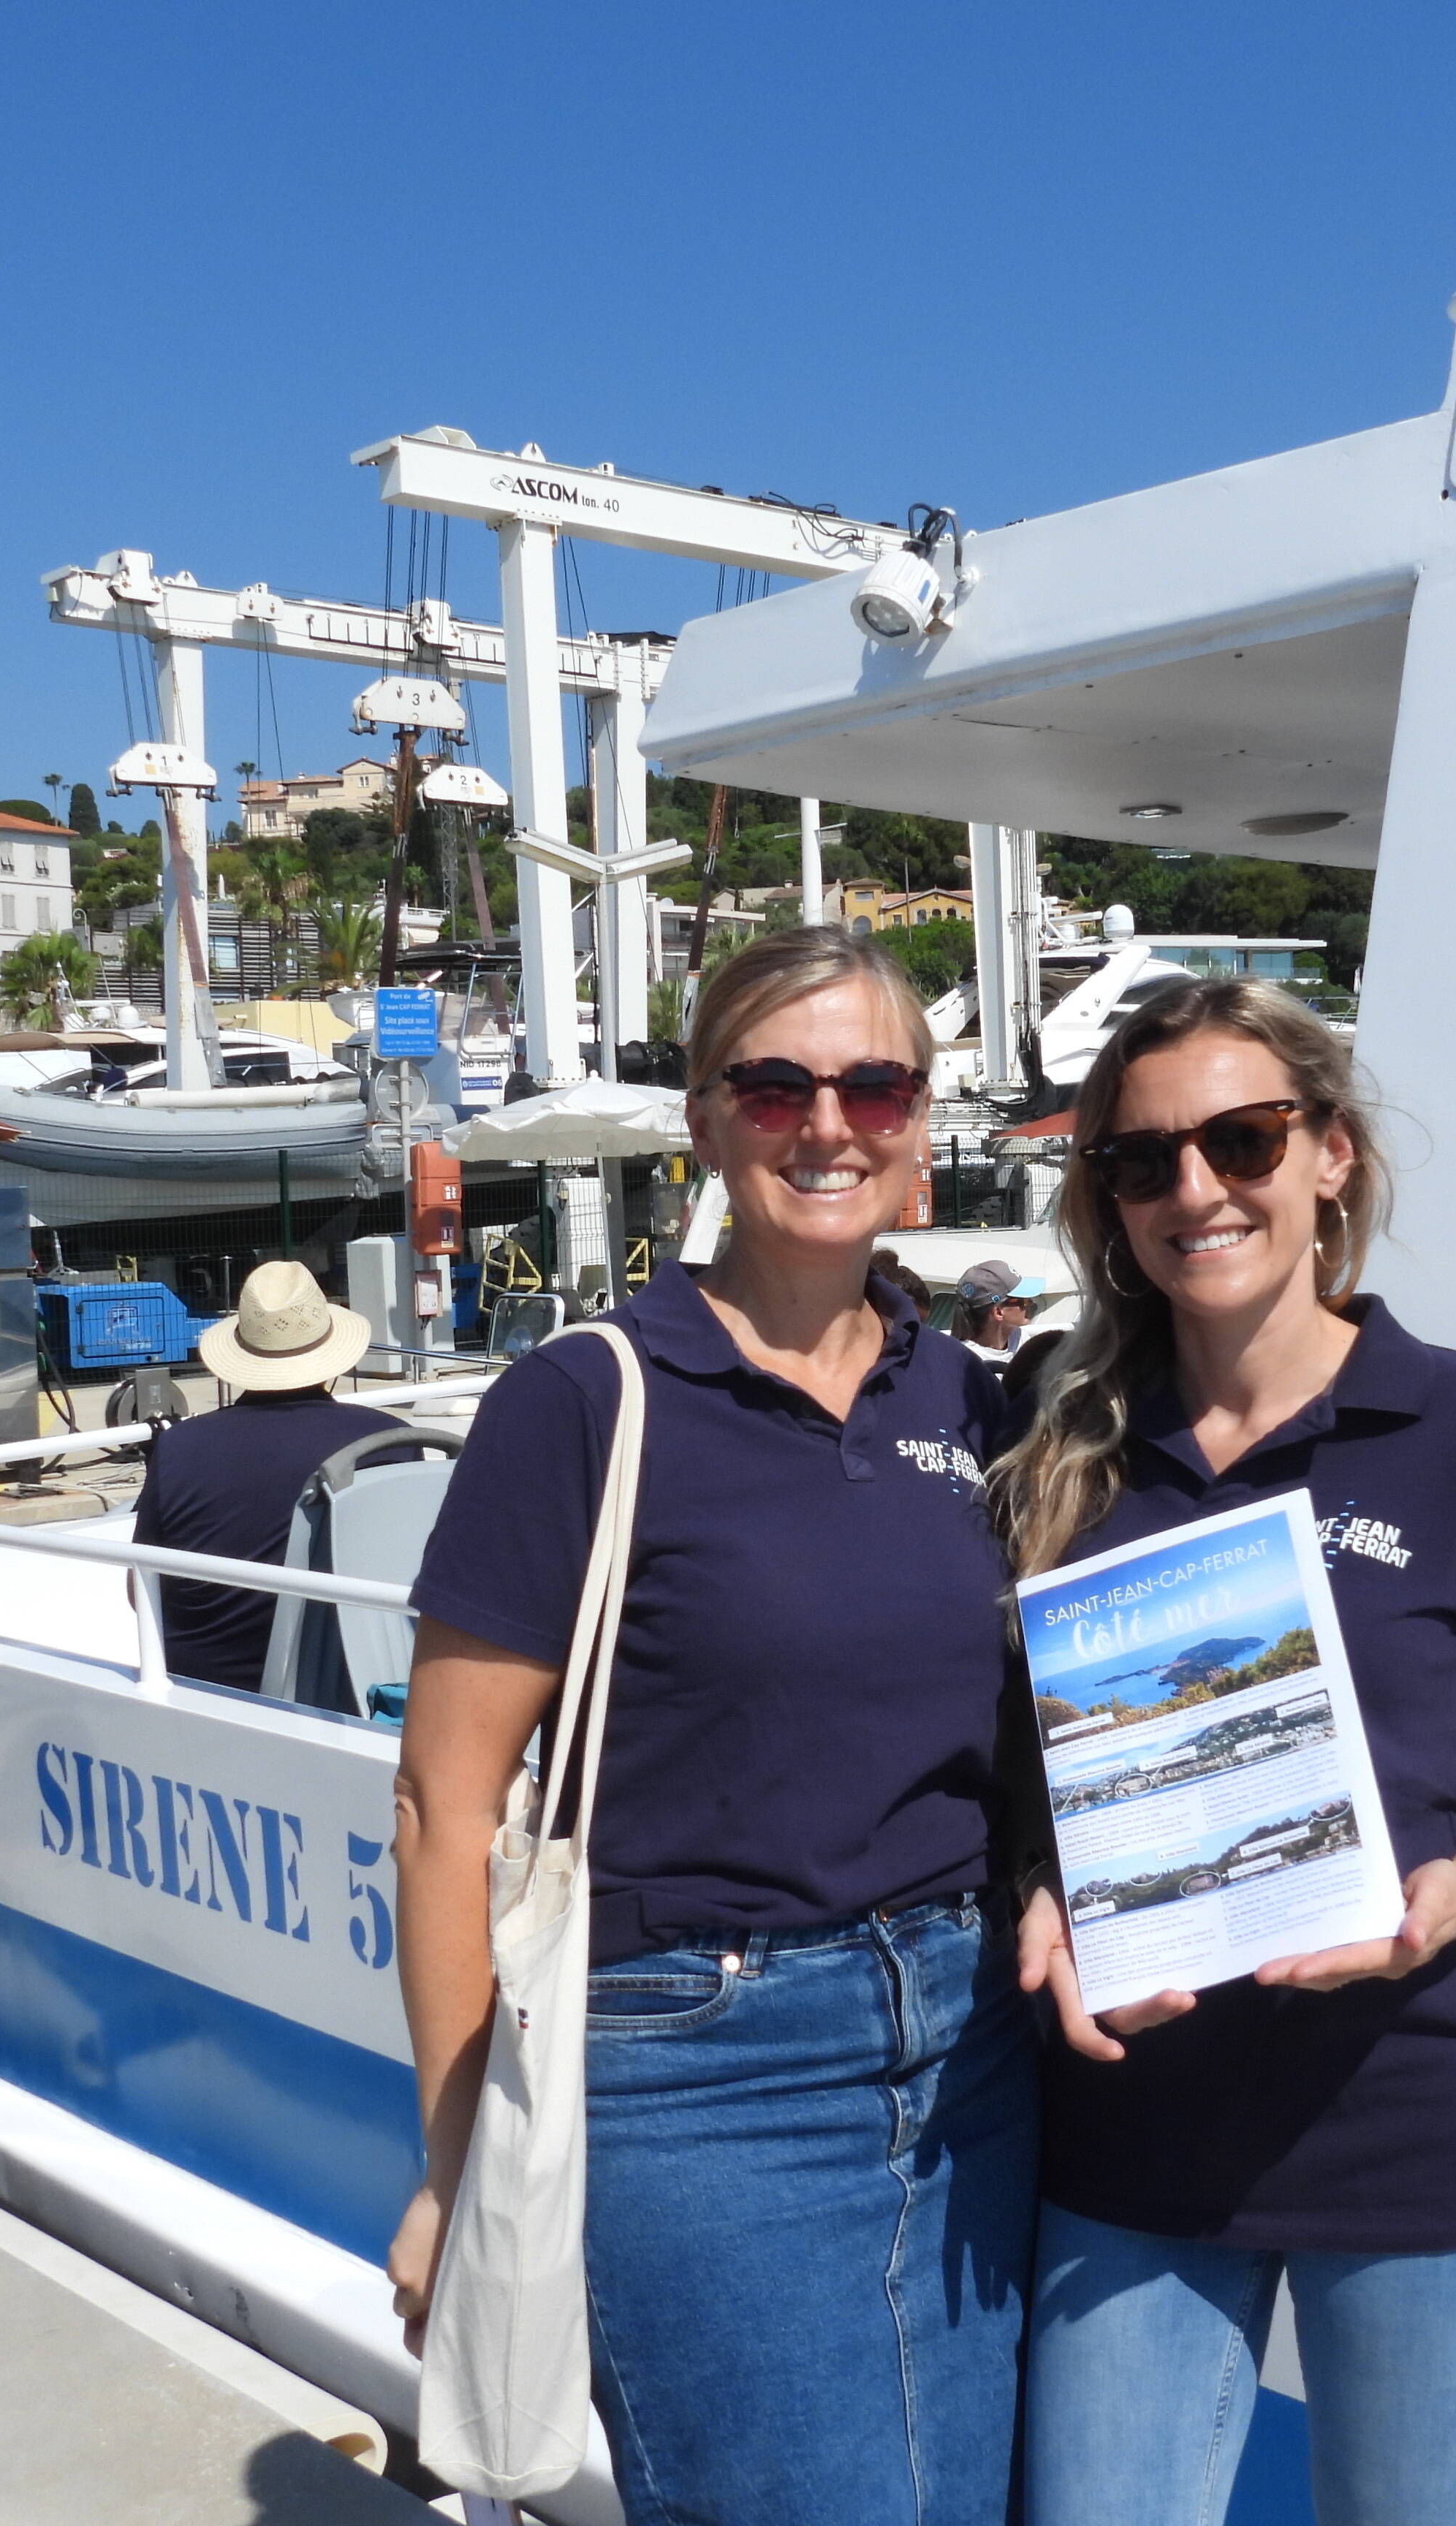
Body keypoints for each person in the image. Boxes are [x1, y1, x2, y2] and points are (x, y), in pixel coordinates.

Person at [390, 927, 1036, 2526]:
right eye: (777, 1084)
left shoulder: (977, 1401)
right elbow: (442, 1809)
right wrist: (457, 2163)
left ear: (920, 1122)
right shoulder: (587, 1401)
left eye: (873, 1084)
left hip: (979, 2063)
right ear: (705, 1122)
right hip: (704, 2071)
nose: (830, 1124)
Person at [993, 976, 1456, 2526]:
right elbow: (1022, 1751)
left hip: (1409, 2108)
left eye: (1243, 1139)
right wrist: (1037, 1879)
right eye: (1142, 1161)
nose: (1196, 1190)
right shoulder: (1057, 1421)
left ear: (1331, 1155)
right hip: (1132, 2129)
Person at [129, 1259, 401, 1695]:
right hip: (344, 1689)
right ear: (331, 1356)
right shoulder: (388, 1439)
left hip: (199, 1687)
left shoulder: (179, 1446)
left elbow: (140, 1592)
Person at [952, 1257, 1037, 1361]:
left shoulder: (1019, 1338)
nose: (1030, 1304)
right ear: (998, 1312)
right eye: (1023, 1300)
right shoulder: (965, 1359)